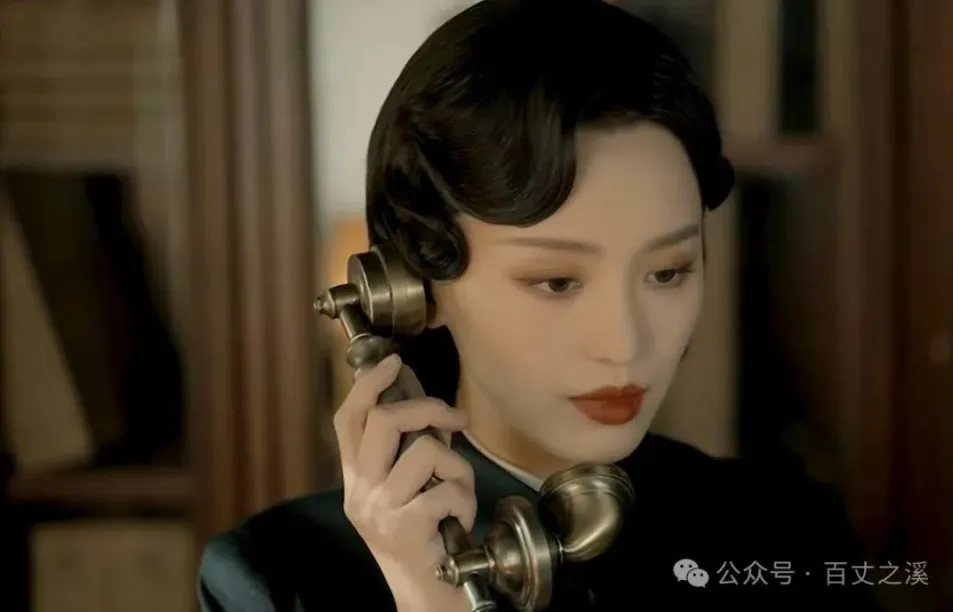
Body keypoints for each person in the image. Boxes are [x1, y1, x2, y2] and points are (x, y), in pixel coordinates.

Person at [197, 1, 880, 610]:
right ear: (417, 281)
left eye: (668, 272)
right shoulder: (278, 579)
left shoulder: (790, 534)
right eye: (556, 282)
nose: (625, 344)